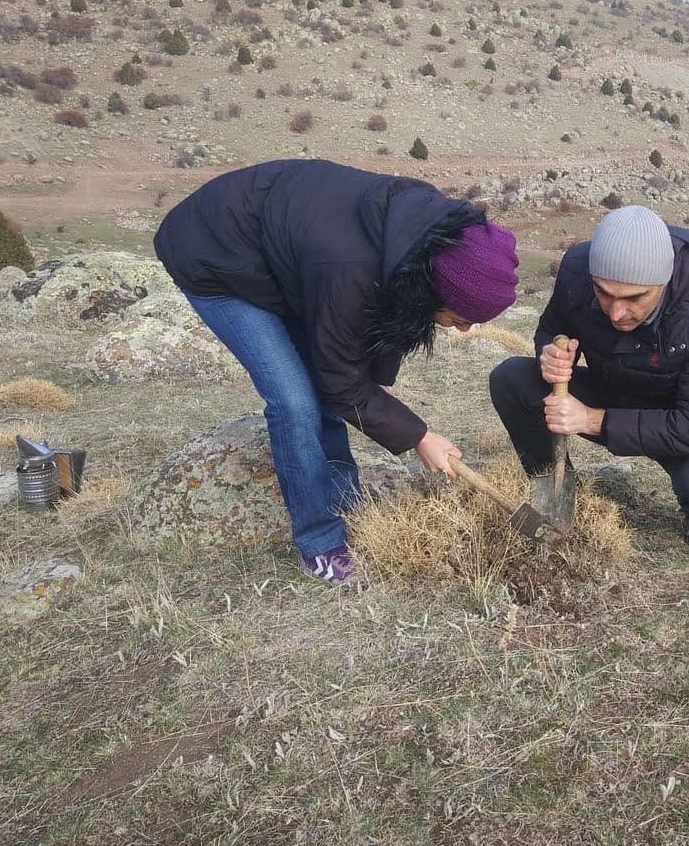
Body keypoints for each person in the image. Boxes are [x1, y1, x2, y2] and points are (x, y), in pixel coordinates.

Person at [154, 159, 519, 585]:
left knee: (330, 385)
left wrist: (377, 382)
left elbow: (391, 313)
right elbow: (341, 380)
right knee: (295, 402)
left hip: (285, 254)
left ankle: (345, 504)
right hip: (214, 255)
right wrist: (418, 436)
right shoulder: (349, 268)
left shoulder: (422, 240)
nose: (465, 329)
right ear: (436, 289)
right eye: (460, 318)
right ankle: (321, 543)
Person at [489, 205, 689, 547]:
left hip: (683, 411)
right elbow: (554, 327)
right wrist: (550, 355)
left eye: (634, 298)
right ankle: (555, 490)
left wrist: (591, 420)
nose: (616, 312)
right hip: (614, 386)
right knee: (512, 379)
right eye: (603, 293)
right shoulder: (578, 270)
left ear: (664, 281)